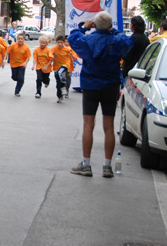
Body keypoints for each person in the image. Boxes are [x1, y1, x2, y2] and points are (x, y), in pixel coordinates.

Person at [68, 11, 134, 178]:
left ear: (95, 25)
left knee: (88, 124)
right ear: (110, 26)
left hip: (91, 84)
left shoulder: (87, 39)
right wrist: (113, 30)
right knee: (109, 125)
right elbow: (129, 41)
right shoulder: (117, 40)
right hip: (111, 84)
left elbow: (73, 38)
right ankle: (107, 166)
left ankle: (86, 164)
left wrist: (84, 27)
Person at [52, 35, 75, 102]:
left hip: (65, 65)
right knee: (58, 82)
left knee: (61, 74)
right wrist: (54, 56)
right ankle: (60, 96)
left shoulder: (67, 49)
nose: (60, 44)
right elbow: (52, 59)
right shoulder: (54, 49)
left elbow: (72, 58)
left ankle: (64, 87)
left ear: (64, 42)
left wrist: (72, 57)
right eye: (58, 42)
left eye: (61, 42)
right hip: (56, 67)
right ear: (56, 42)